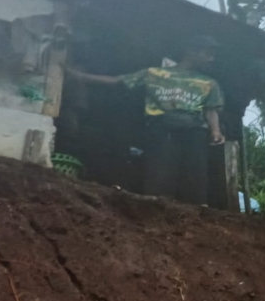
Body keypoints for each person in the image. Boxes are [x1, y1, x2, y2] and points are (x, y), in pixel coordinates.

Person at [68, 35, 226, 205]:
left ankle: (195, 218)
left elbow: (211, 110)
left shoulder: (210, 83)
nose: (211, 59)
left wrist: (216, 131)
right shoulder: (154, 74)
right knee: (160, 177)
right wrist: (81, 76)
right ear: (191, 52)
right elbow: (118, 80)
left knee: (195, 178)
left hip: (195, 133)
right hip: (162, 131)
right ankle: (156, 213)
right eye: (208, 53)